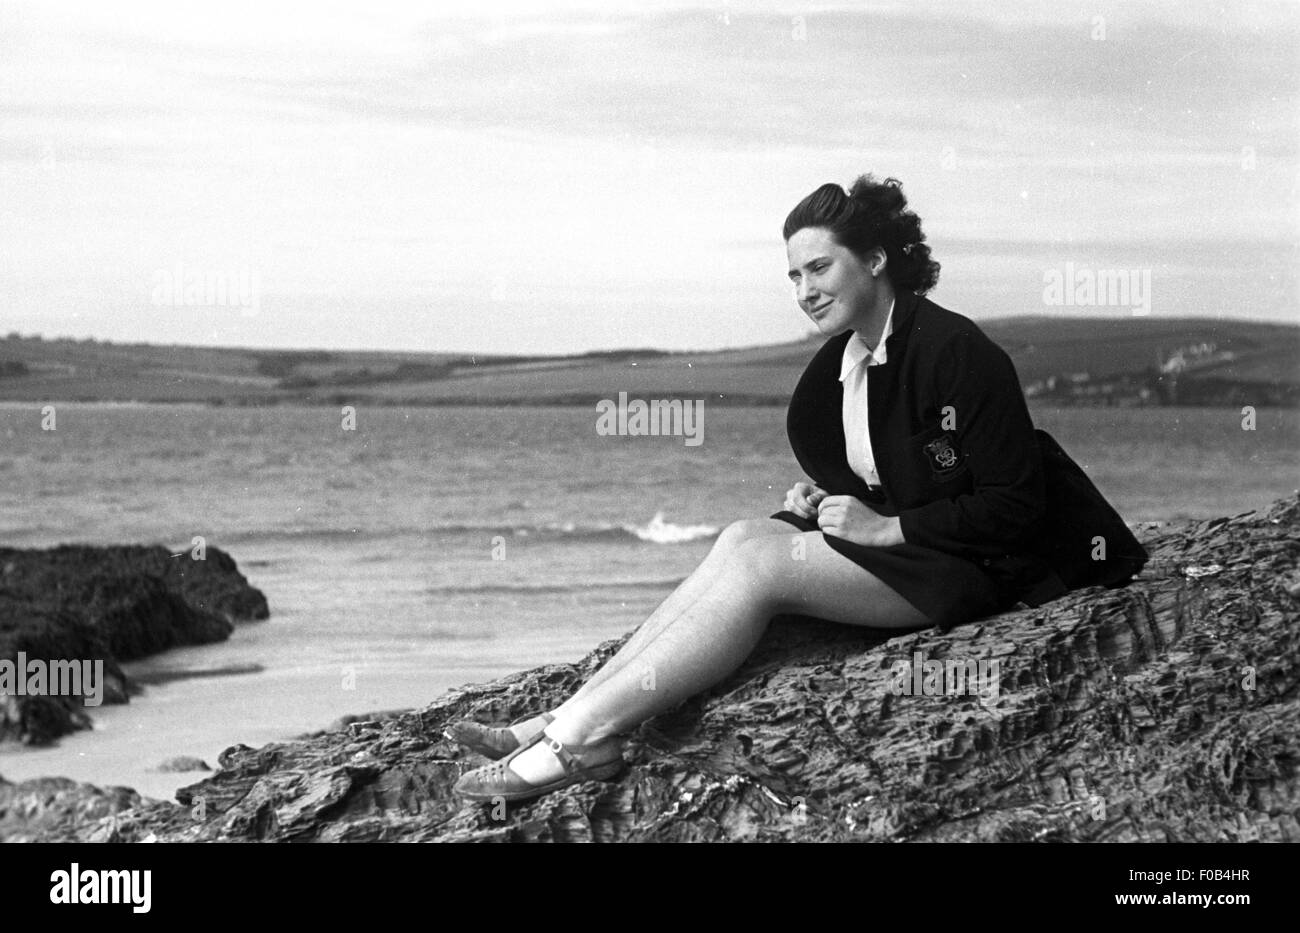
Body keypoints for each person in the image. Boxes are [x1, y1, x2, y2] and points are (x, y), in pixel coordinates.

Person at [450, 173, 1147, 803]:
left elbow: (1012, 502)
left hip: (980, 570)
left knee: (759, 566)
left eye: (819, 267)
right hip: (916, 555)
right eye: (792, 275)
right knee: (744, 536)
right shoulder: (839, 368)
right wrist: (808, 507)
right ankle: (548, 723)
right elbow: (885, 476)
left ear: (874, 259)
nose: (804, 290)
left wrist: (886, 528)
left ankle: (578, 744)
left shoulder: (956, 350)